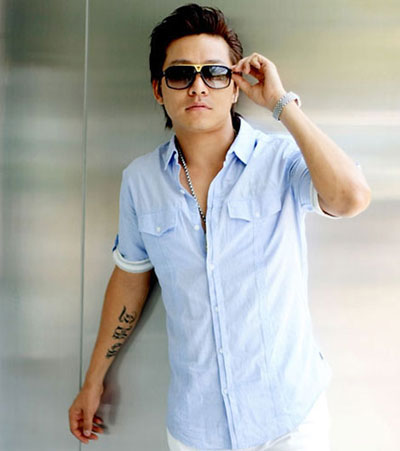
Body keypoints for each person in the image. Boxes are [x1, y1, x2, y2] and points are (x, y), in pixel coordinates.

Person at [68, 4, 371, 450]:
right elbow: (131, 279)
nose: (197, 86)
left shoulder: (279, 160)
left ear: (234, 87)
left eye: (214, 73)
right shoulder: (140, 181)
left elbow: (351, 198)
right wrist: (94, 379)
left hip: (289, 423)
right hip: (196, 430)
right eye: (180, 74)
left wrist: (281, 103)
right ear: (158, 90)